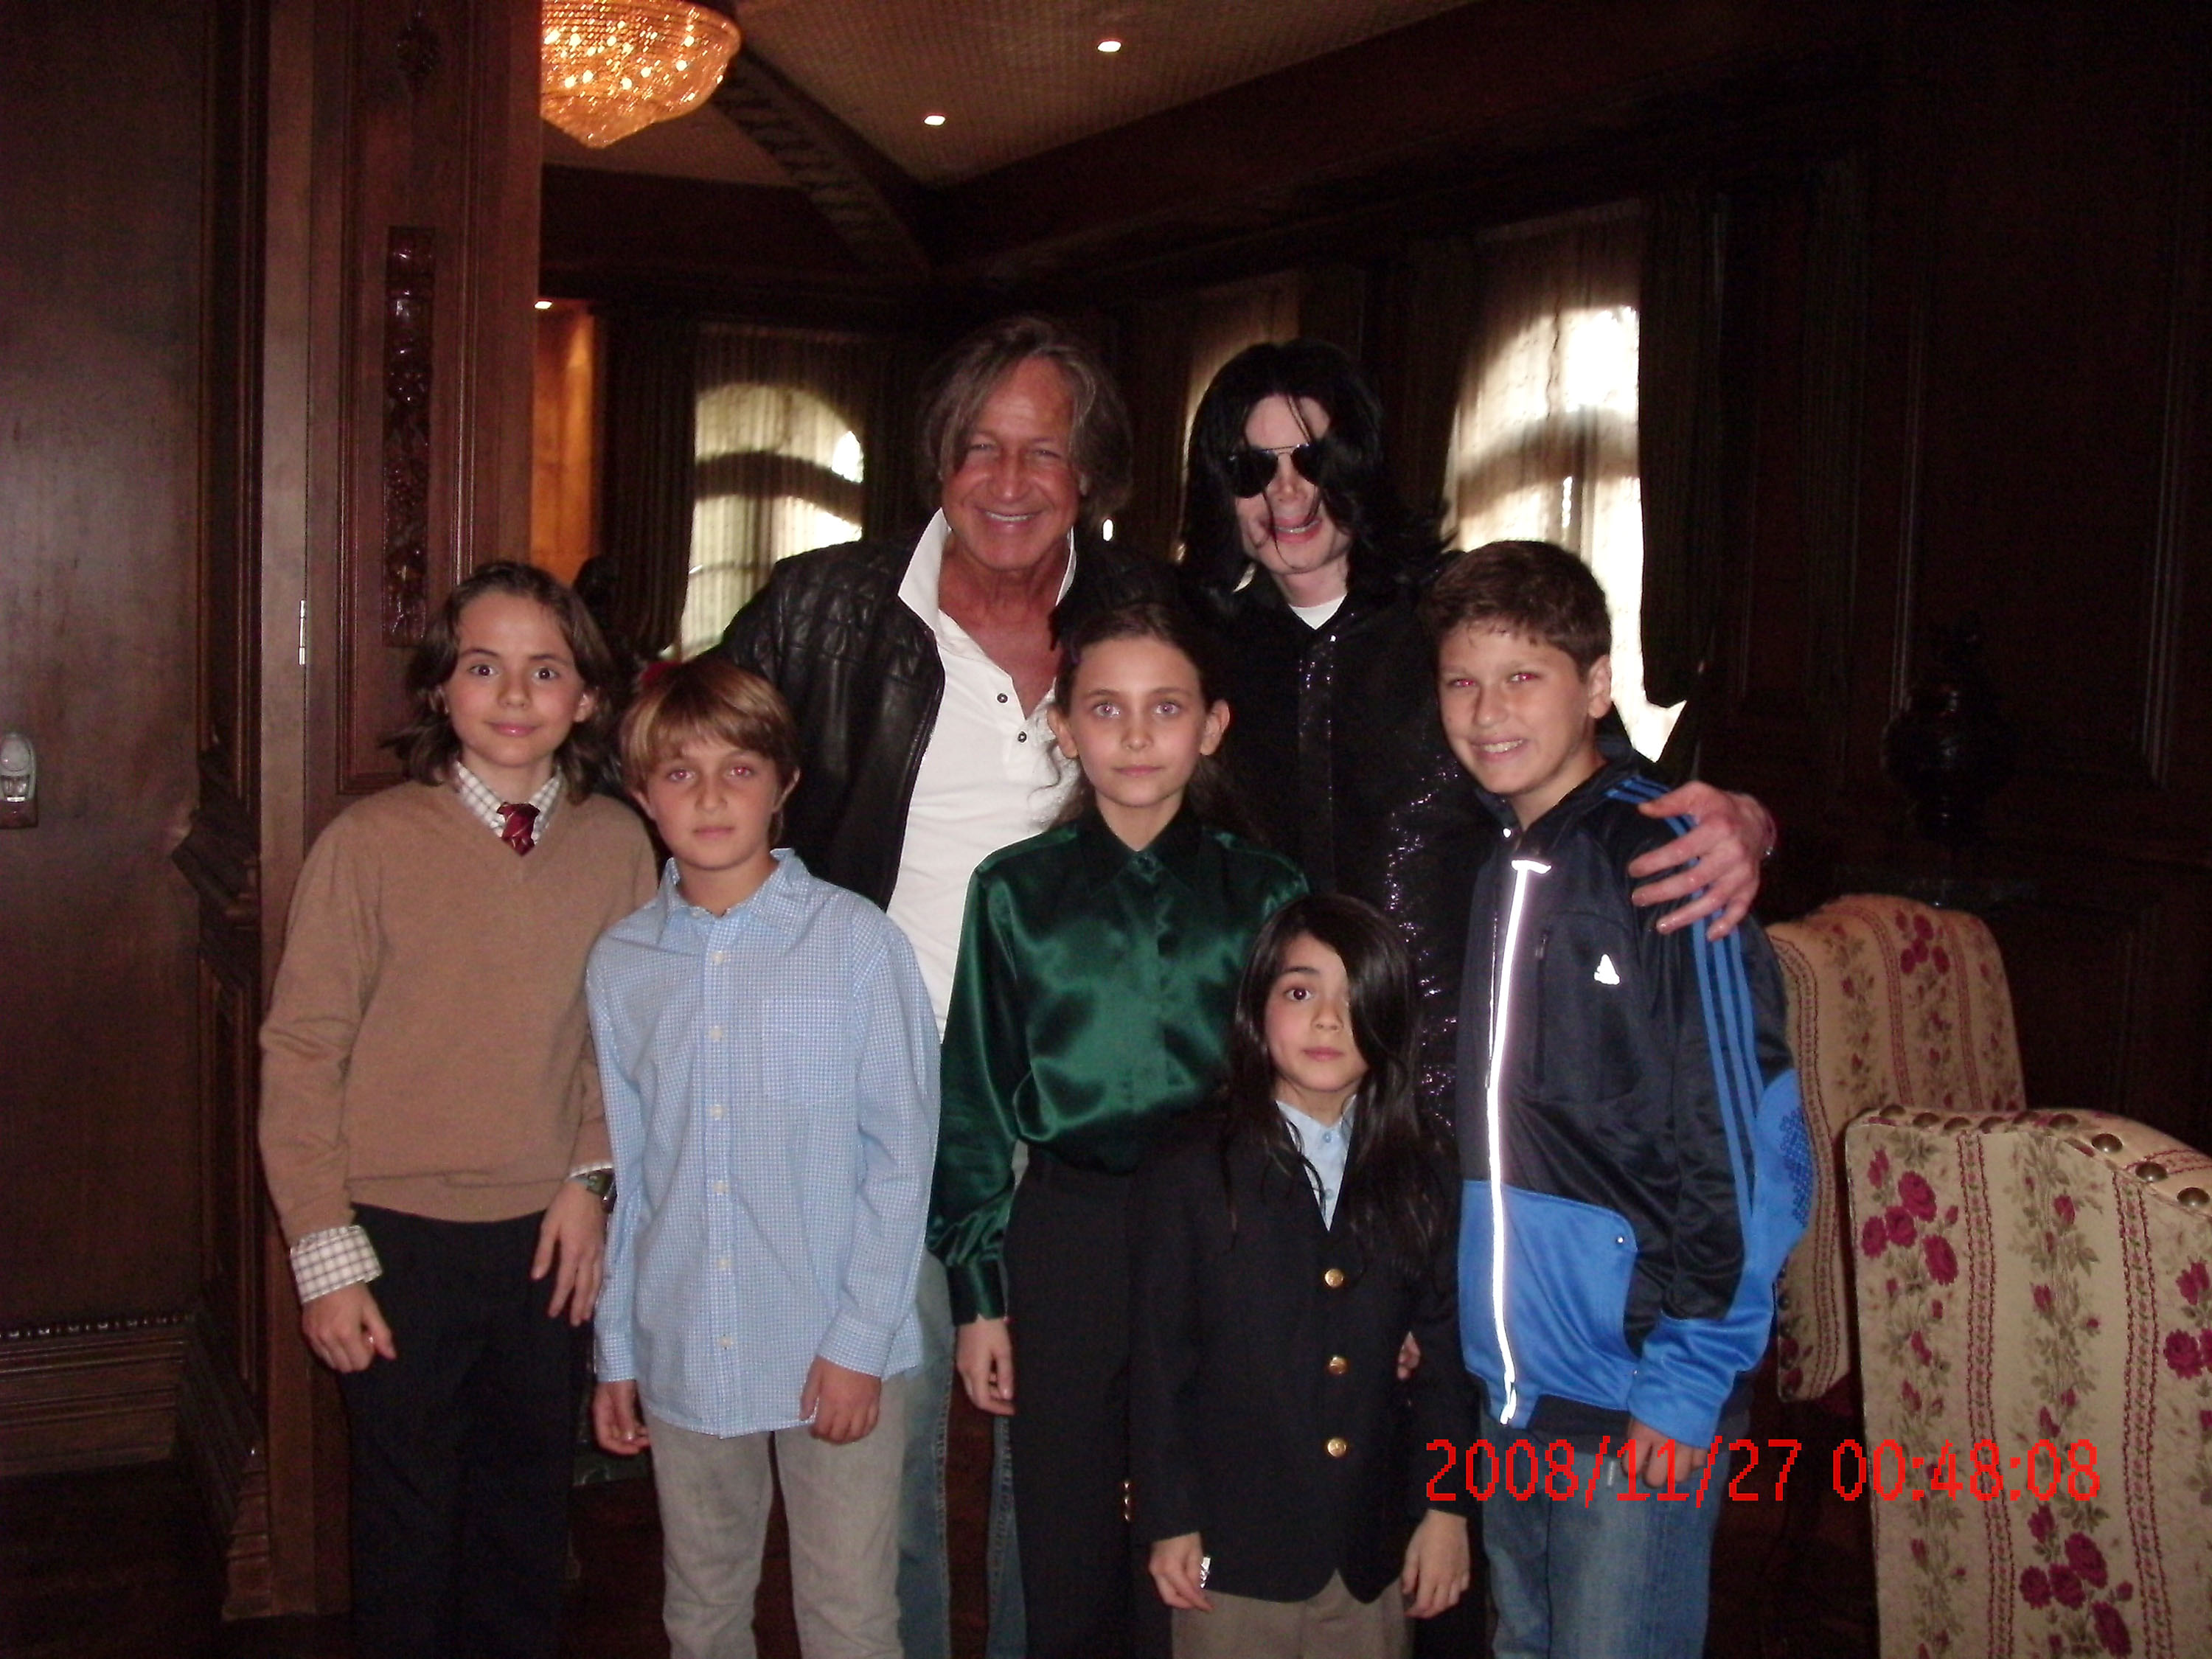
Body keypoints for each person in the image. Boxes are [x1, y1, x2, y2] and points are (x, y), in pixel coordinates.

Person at [717, 314, 1177, 1659]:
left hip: (1077, 1113)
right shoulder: (825, 609)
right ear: (939, 465)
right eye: (980, 448)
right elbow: (686, 773)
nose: (1011, 479)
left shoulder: (1143, 615)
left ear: (1088, 471)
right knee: (886, 1450)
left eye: (1044, 449)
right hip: (876, 1107)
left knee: (1063, 1449)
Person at [1178, 339, 1775, 1112]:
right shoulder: (1203, 652)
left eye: (1313, 459)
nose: (1288, 494)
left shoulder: (1460, 618)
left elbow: (1606, 785)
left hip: (1466, 1085)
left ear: (1358, 464)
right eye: (1254, 469)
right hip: (1273, 1082)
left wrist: (1748, 822)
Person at [258, 562, 659, 1658]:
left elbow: (622, 1047)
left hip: (546, 1236)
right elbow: (300, 1054)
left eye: (546, 670)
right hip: (394, 1236)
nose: (515, 692)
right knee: (407, 1516)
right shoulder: (371, 844)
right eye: (485, 666)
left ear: (586, 699)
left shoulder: (620, 845)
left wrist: (590, 1178)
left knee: (526, 1510)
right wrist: (325, 1251)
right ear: (442, 689)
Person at [1425, 542, 1808, 1658]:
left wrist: (1687, 1382)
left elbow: (1753, 1145)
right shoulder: (1496, 855)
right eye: (1461, 680)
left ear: (1596, 685)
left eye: (1523, 675)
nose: (1488, 710)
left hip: (1638, 1381)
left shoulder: (1670, 853)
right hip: (1517, 1379)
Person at [931, 602, 1310, 1658]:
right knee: (1064, 1517)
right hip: (1070, 1234)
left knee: (1201, 1515)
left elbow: (1308, 1089)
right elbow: (974, 1094)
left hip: (1223, 1235)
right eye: (1107, 708)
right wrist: (979, 1295)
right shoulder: (1014, 891)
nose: (1137, 736)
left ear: (1214, 724)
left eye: (1166, 708)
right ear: (1063, 725)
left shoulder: (1266, 889)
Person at [587, 656, 939, 1659]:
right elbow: (633, 1171)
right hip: (687, 1332)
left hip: (835, 1340)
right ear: (644, 794)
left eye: (738, 770)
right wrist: (620, 1349)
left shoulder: (858, 945)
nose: (708, 796)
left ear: (783, 785)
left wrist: (859, 1341)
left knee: (848, 1614)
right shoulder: (623, 964)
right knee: (701, 1607)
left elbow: (900, 1158)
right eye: (679, 772)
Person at [1131, 894, 1476, 1659]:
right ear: (1258, 1010)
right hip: (1231, 1554)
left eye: (1356, 999)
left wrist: (1445, 1508)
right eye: (1300, 992)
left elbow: (1446, 1360)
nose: (1327, 1019)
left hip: (1367, 1552)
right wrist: (1168, 1518)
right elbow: (1159, 1364)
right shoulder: (1192, 1170)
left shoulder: (1421, 1176)